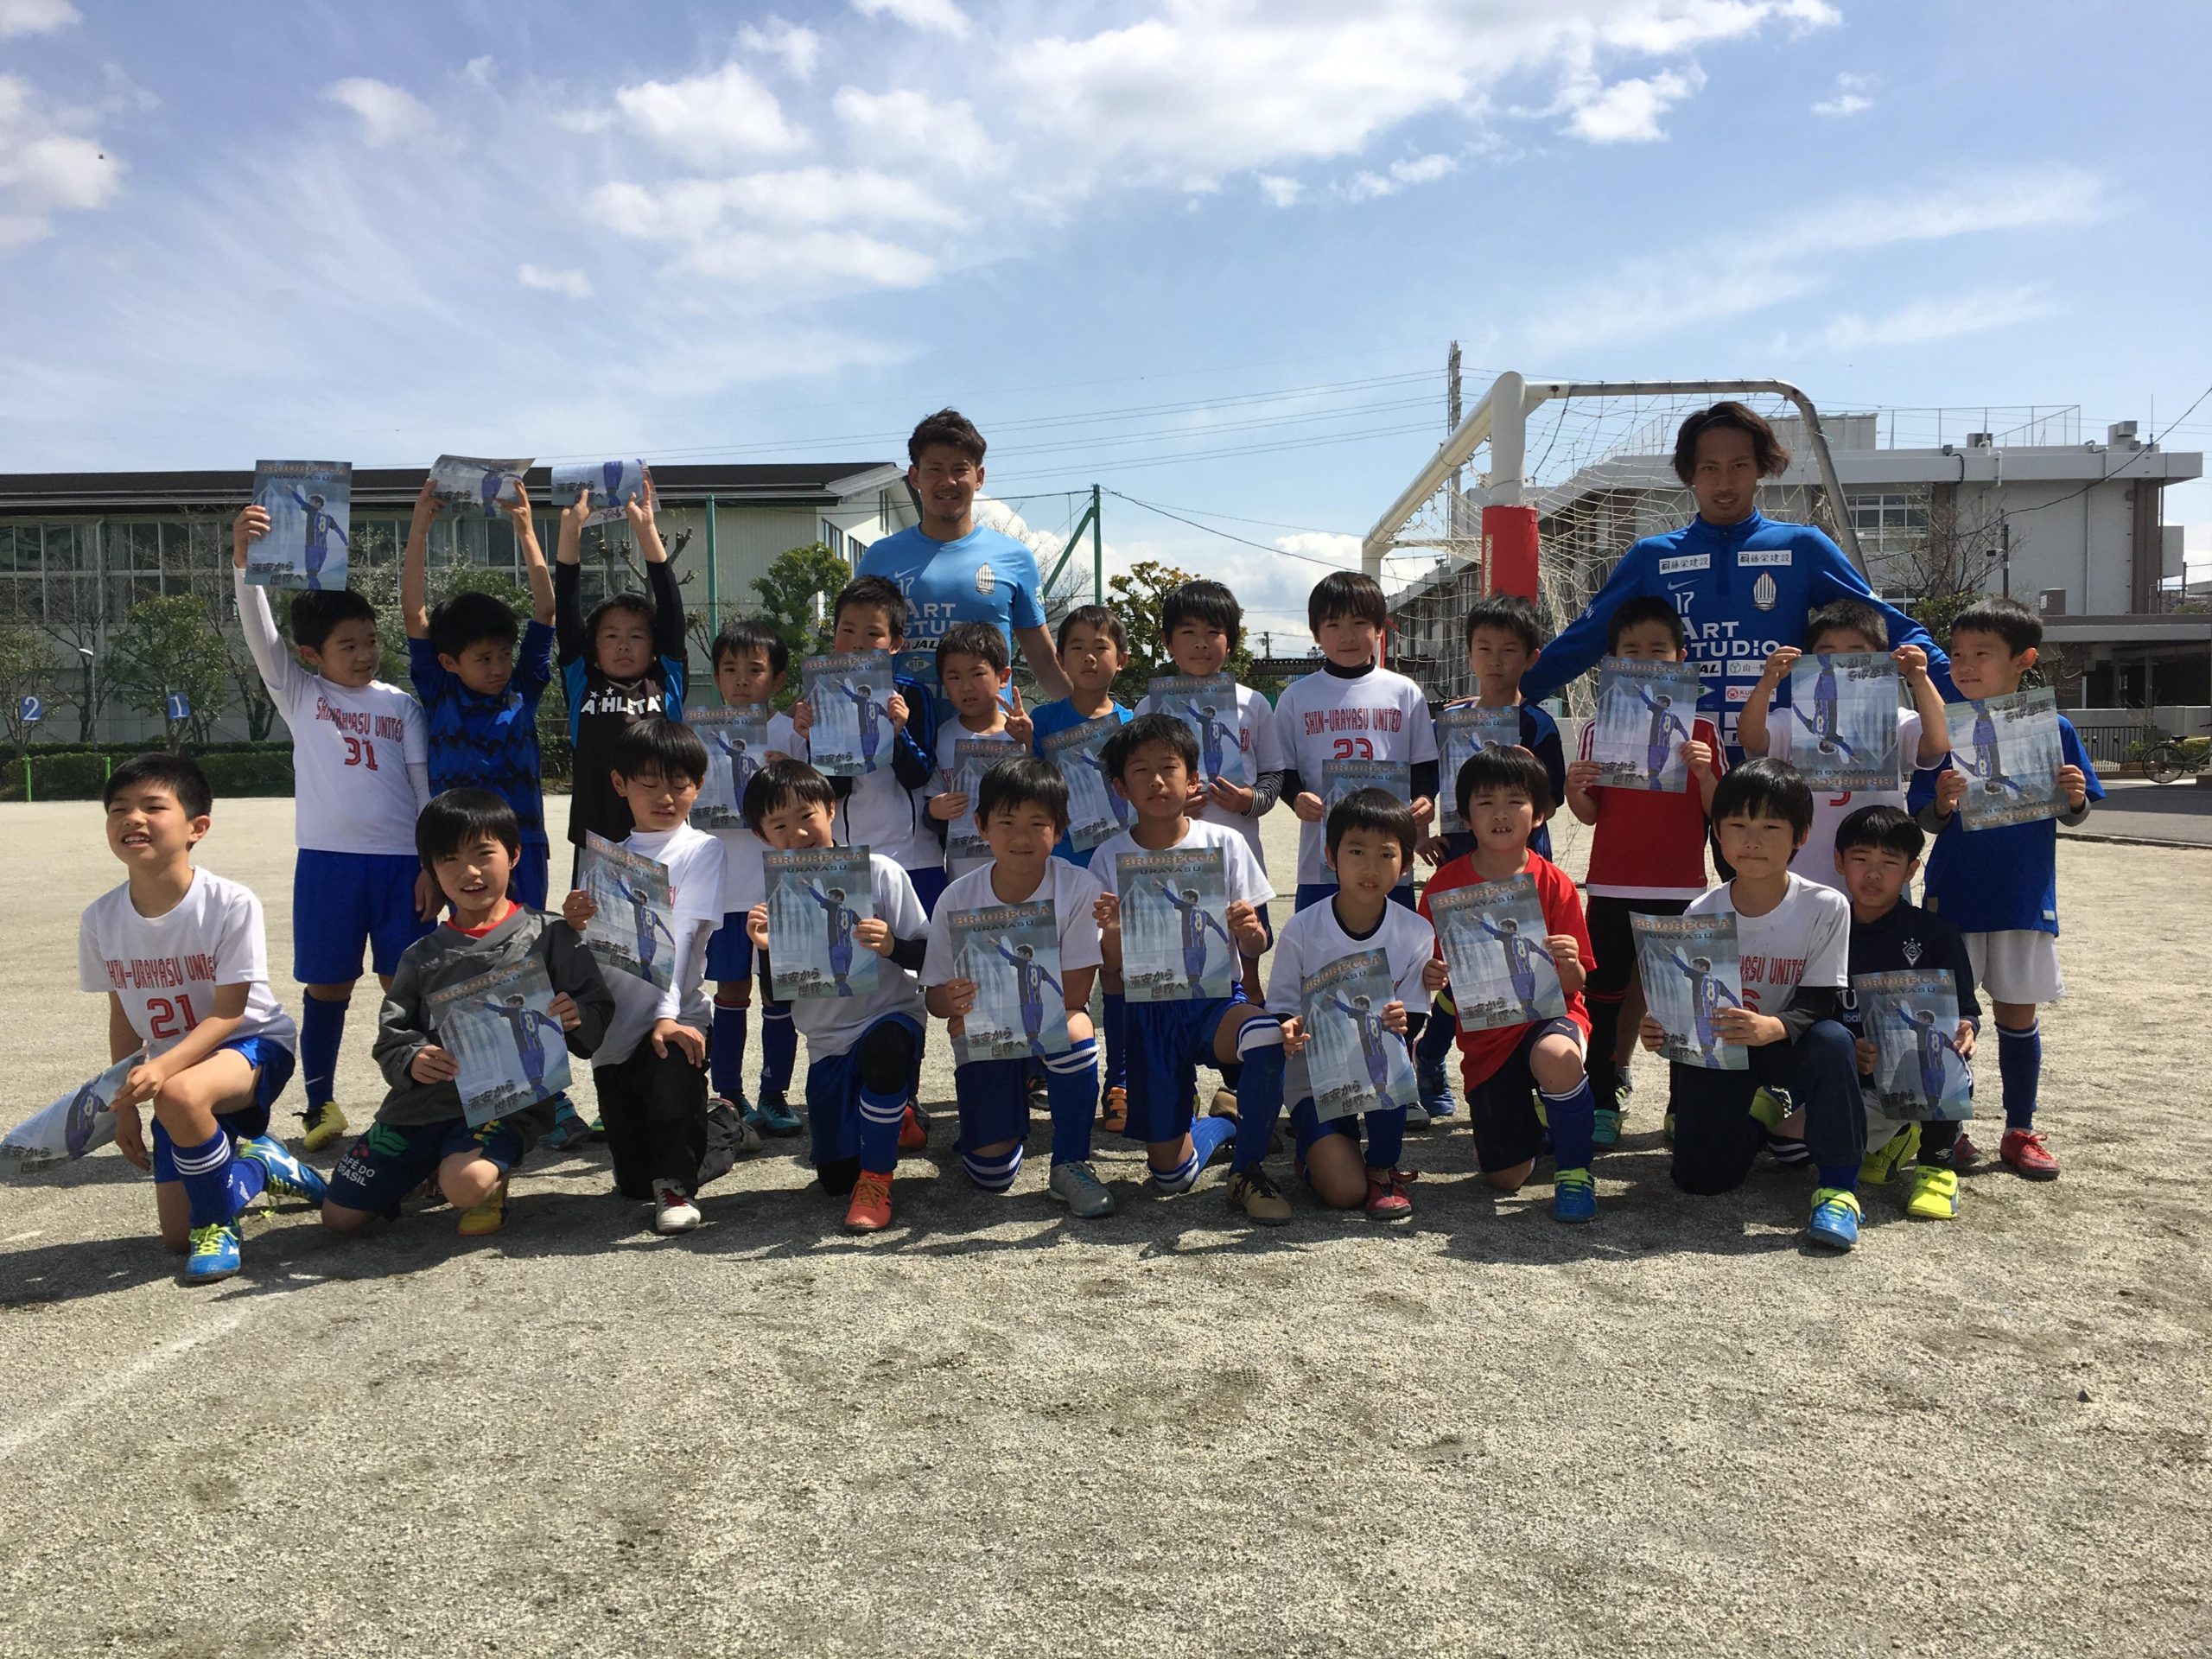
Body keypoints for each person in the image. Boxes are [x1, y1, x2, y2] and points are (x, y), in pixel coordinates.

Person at [1521, 400, 1950, 757]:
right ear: (1690, 473)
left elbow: (1888, 624)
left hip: (1774, 754)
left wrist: (1967, 692)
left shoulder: (1802, 547)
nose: (1724, 482)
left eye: (1739, 465)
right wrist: (1511, 696)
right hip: (1678, 757)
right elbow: (1586, 638)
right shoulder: (1652, 556)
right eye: (1709, 468)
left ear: (1760, 468)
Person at [322, 791, 613, 1241]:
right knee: (340, 1218)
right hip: (420, 1109)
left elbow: (594, 1006)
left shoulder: (550, 935)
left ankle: (480, 1178)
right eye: (450, 859)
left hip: (505, 1108)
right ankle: (425, 1167)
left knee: (467, 1186)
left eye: (484, 854)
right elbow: (392, 1036)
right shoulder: (421, 956)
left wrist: (576, 1015)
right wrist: (413, 1059)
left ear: (514, 854)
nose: (470, 872)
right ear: (432, 869)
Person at [232, 501, 433, 1154]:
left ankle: (415, 1097)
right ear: (311, 654)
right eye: (348, 646)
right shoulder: (299, 694)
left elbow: (422, 788)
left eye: (371, 641)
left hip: (403, 864)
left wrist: (431, 862)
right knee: (328, 985)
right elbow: (258, 633)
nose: (365, 654)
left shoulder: (401, 705)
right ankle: (320, 1104)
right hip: (328, 863)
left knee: (404, 985)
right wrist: (244, 564)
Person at [79, 753, 316, 1282]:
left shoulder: (229, 902)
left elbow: (231, 1013)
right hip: (176, 1066)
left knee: (180, 1095)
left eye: (152, 806)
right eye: (118, 809)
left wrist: (162, 1073)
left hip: (251, 1047)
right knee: (174, 1236)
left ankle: (220, 1227)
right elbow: (123, 1015)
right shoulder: (100, 918)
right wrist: (121, 1104)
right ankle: (261, 1165)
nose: (132, 818)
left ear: (197, 827)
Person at [1907, 596, 2101, 1180]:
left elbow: (2077, 810)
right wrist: (1941, 802)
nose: (1965, 665)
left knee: (2018, 1015)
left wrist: (2073, 795)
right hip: (1954, 894)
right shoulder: (1943, 728)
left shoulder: (2054, 728)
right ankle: (1950, 1129)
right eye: (1959, 654)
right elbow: (1927, 818)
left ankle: (2019, 1129)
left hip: (2022, 894)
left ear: (2024, 661)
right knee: (1947, 1018)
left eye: (1982, 654)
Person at [1643, 759, 1867, 1251]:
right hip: (1724, 1050)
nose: (1753, 840)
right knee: (1699, 1181)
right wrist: (1660, 1029)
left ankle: (1839, 1188)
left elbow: (1821, 999)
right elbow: (1683, 1003)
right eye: (1738, 826)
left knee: (1835, 1042)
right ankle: (1764, 1115)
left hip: (1790, 1042)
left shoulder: (1826, 905)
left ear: (1800, 836)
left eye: (1771, 827)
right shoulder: (1703, 910)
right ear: (1718, 835)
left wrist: (1774, 1026)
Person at [1090, 715, 1287, 1205]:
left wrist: (1251, 932)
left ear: (1192, 778)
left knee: (1265, 1036)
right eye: (1139, 770)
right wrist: (1113, 929)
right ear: (1120, 787)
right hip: (1148, 1011)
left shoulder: (1225, 843)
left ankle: (1248, 1170)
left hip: (1214, 1001)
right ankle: (1222, 1119)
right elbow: (1111, 969)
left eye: (1169, 767)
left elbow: (1256, 947)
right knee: (1170, 1179)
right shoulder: (1107, 858)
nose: (1156, 780)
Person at [1224, 790, 1441, 1225]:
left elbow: (1414, 1016)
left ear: (1406, 864)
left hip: (1375, 1068)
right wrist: (1290, 1026)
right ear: (1330, 855)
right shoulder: (1304, 927)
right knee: (1343, 1193)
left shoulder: (1416, 931)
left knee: (1389, 1065)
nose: (1370, 867)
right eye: (1356, 851)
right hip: (1314, 1079)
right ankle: (1315, 1147)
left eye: (1386, 855)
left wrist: (1402, 1022)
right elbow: (1282, 1004)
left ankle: (1383, 1166)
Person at [743, 759, 931, 1235]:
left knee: (886, 1053)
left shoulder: (881, 871)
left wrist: (892, 946)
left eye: (806, 816)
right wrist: (767, 953)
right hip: (828, 1041)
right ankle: (899, 1113)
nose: (797, 833)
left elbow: (930, 953)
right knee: (832, 1180)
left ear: (830, 807)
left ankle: (877, 1179)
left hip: (891, 1016)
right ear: (762, 835)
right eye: (779, 824)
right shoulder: (772, 901)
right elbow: (776, 1001)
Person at [1561, 595, 1724, 1146]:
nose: (1647, 660)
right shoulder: (1596, 730)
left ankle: (1686, 1104)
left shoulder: (1703, 730)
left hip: (1681, 887)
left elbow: (1718, 817)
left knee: (1682, 1004)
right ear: (1613, 662)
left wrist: (1704, 778)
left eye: (1659, 650)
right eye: (1632, 651)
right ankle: (1605, 1098)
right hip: (1610, 885)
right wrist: (1574, 789)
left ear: (1680, 658)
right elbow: (1590, 814)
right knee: (1604, 999)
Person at [922, 756, 1114, 1218]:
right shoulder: (958, 897)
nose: (1022, 837)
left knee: (1077, 1028)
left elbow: (1072, 997)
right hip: (988, 1036)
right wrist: (953, 1001)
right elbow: (933, 999)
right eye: (1006, 822)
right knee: (991, 1177)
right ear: (982, 826)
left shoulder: (1080, 887)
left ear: (1060, 829)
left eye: (1038, 823)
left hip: (1045, 1022)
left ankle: (1071, 1160)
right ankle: (1001, 1116)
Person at [560, 720, 730, 1236]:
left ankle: (679, 1181)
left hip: (675, 1016)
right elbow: (591, 953)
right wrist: (571, 923)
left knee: (669, 1127)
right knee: (633, 1182)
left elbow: (682, 937)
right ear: (620, 784)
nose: (666, 795)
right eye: (649, 782)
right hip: (616, 1031)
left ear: (697, 787)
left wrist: (667, 1017)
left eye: (680, 783)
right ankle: (721, 1127)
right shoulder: (602, 859)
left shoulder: (701, 850)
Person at [791, 576, 942, 1151]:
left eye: (872, 634)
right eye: (846, 630)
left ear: (896, 643)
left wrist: (899, 730)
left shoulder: (912, 694)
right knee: (851, 970)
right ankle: (865, 1082)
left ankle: (906, 1093)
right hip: (845, 861)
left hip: (910, 853)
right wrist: (812, 736)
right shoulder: (817, 697)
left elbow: (919, 774)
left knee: (917, 969)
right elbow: (823, 790)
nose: (857, 642)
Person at [1419, 747, 1600, 1223]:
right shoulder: (1443, 888)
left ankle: (1577, 1173)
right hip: (1488, 1036)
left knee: (1556, 1058)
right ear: (1466, 815)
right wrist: (1429, 976)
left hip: (1549, 1017)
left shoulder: (1555, 883)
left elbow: (1578, 980)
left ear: (1538, 814)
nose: (1500, 813)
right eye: (1485, 801)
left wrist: (1565, 962)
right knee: (1504, 1178)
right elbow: (1425, 976)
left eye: (1515, 801)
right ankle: (1543, 1122)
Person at [1413, 593, 1568, 1119]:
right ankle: (1431, 1055)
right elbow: (1431, 784)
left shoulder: (1538, 725)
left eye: (1509, 648)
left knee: (1516, 968)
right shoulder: (1450, 720)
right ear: (1470, 654)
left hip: (1523, 865)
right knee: (1457, 967)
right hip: (1462, 859)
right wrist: (1422, 831)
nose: (1496, 660)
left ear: (1531, 655)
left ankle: (1532, 1077)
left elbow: (1553, 799)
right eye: (1484, 648)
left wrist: (1532, 772)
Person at [400, 476, 558, 907]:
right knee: (468, 950)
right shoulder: (440, 690)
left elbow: (546, 611)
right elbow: (415, 616)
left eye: (505, 655)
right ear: (450, 661)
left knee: (526, 949)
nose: (499, 668)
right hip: (457, 847)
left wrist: (526, 531)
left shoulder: (523, 687)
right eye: (483, 658)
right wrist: (418, 530)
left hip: (522, 840)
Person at [1137, 579, 1288, 1002]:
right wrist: (1172, 801)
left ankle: (1249, 1007)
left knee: (1246, 935)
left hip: (1240, 847)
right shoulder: (1149, 708)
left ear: (1232, 641)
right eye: (1188, 632)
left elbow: (1275, 774)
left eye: (1213, 632)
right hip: (1173, 850)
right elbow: (1138, 782)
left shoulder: (1252, 703)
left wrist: (1249, 801)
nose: (1201, 644)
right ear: (1168, 641)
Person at [1736, 598, 1951, 895]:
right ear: (1811, 660)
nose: (1841, 664)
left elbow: (1939, 741)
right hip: (1806, 878)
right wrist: (1766, 684)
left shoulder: (1895, 720)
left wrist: (1921, 679)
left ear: (1880, 657)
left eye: (1856, 653)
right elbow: (1751, 738)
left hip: (1876, 885)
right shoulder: (1795, 719)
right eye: (1828, 654)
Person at [855, 408, 1072, 700]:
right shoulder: (879, 558)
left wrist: (1087, 718)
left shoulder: (1016, 558)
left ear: (979, 477)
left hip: (990, 740)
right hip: (901, 736)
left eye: (960, 469)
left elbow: (1044, 661)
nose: (948, 482)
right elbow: (853, 652)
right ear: (915, 476)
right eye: (935, 469)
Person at [1830, 805, 1981, 1220]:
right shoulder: (1826, 928)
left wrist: (1968, 1029)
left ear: (1911, 869)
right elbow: (1811, 1010)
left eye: (1889, 863)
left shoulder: (1936, 934)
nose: (1873, 875)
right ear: (1839, 861)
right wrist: (1848, 1045)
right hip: (1855, 1080)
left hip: (1916, 1071)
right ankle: (1899, 1133)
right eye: (1860, 860)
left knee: (1942, 1062)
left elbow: (1966, 1012)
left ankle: (1936, 1166)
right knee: (1790, 1149)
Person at [1272, 570, 1440, 915]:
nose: (1347, 636)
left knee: (1395, 953)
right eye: (1333, 625)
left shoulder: (1404, 692)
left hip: (1391, 857)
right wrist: (1295, 798)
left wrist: (1424, 798)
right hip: (1321, 860)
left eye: (1359, 623)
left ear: (1379, 628)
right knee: (1322, 957)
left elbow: (1424, 764)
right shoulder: (1296, 697)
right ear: (1316, 632)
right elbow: (1282, 770)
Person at [697, 620, 802, 1138]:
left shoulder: (790, 732)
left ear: (777, 678)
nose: (741, 680)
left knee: (780, 994)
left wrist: (791, 767)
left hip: (781, 889)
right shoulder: (697, 736)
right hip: (724, 885)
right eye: (730, 669)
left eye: (755, 670)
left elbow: (816, 800)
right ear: (716, 676)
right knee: (731, 990)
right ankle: (728, 1092)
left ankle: (775, 1092)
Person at [554, 471, 688, 875]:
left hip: (661, 841)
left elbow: (670, 609)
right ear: (594, 648)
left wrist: (647, 531)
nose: (624, 644)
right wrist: (571, 531)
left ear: (654, 647)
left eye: (635, 636)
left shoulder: (666, 680)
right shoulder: (582, 682)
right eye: (610, 636)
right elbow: (567, 606)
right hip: (596, 841)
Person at [923, 620, 1032, 880]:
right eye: (954, 677)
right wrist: (935, 810)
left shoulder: (1020, 733)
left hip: (1024, 872)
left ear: (1003, 676)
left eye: (977, 674)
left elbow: (1043, 794)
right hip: (964, 878)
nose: (966, 686)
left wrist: (1028, 741)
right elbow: (929, 805)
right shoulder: (941, 737)